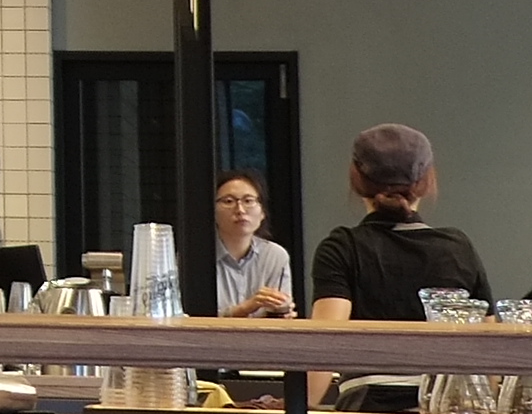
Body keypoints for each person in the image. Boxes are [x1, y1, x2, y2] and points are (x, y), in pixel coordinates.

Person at [307, 124, 494, 321]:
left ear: (356, 180)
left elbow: (329, 331)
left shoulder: (342, 248)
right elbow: (489, 332)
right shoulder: (457, 248)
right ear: (427, 181)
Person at [206, 172, 295, 318]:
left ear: (262, 212)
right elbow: (188, 317)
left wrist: (282, 311)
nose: (240, 210)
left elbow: (277, 314)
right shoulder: (195, 257)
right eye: (228, 201)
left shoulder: (275, 255)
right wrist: (244, 309)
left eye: (248, 201)